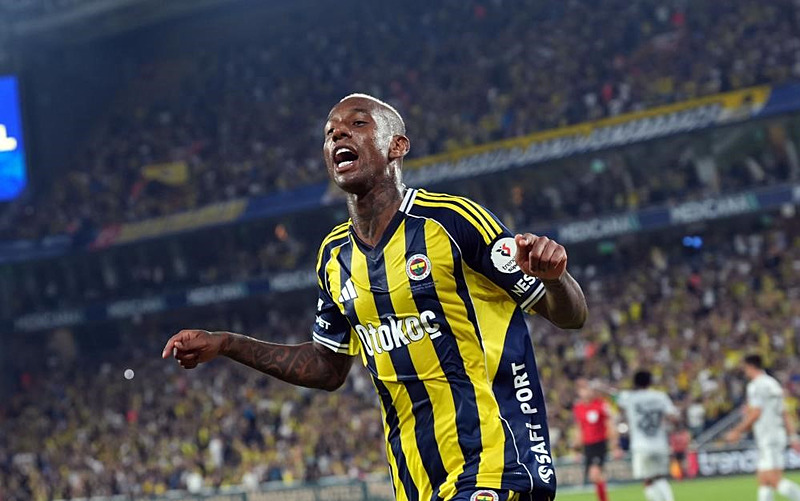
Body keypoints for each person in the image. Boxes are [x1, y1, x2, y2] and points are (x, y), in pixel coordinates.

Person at [161, 94, 588, 501]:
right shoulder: (334, 256)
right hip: (416, 480)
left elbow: (571, 316)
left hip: (498, 462)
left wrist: (554, 279)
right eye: (329, 132)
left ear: (396, 146)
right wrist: (228, 343)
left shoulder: (453, 222)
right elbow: (328, 368)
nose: (338, 134)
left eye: (357, 123)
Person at [726, 354, 800, 501]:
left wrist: (737, 431)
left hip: (768, 437)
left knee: (774, 480)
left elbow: (756, 413)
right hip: (775, 435)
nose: (744, 371)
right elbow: (784, 413)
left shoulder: (756, 386)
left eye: (744, 367)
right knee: (763, 480)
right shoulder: (772, 383)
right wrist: (793, 436)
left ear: (750, 366)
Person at [616, 370, 678, 501]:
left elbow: (618, 403)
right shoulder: (660, 396)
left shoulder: (630, 397)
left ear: (635, 383)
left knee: (648, 480)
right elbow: (673, 417)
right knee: (660, 477)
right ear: (650, 381)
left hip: (641, 445)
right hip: (660, 443)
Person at [573, 378, 621, 501]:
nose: (584, 392)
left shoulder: (600, 404)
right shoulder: (578, 408)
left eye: (586, 388)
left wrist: (615, 446)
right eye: (581, 389)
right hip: (587, 445)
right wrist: (576, 450)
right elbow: (579, 429)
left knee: (595, 474)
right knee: (594, 477)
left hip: (599, 443)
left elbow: (610, 425)